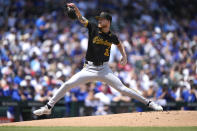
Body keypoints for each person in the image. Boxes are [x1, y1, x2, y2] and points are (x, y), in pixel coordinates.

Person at [33, 3, 163, 116]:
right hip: (89, 68)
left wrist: (124, 55)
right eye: (99, 19)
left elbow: (119, 44)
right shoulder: (93, 28)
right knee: (67, 84)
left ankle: (150, 103)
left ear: (108, 21)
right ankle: (48, 107)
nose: (99, 21)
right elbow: (81, 19)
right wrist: (77, 9)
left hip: (104, 69)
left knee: (123, 89)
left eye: (102, 19)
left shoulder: (112, 36)